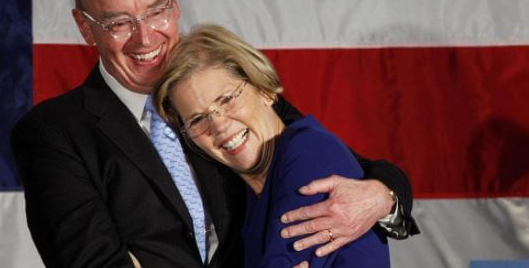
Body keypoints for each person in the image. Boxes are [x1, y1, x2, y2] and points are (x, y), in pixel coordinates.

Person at [10, 0, 418, 267]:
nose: (145, 37)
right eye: (119, 22)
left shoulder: (228, 93)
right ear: (84, 27)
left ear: (175, 4)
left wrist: (382, 198)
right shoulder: (53, 134)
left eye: (157, 10)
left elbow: (353, 168)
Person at [153, 24, 390, 267]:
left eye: (226, 100)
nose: (219, 125)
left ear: (264, 89)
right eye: (198, 119)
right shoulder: (251, 198)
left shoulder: (309, 151)